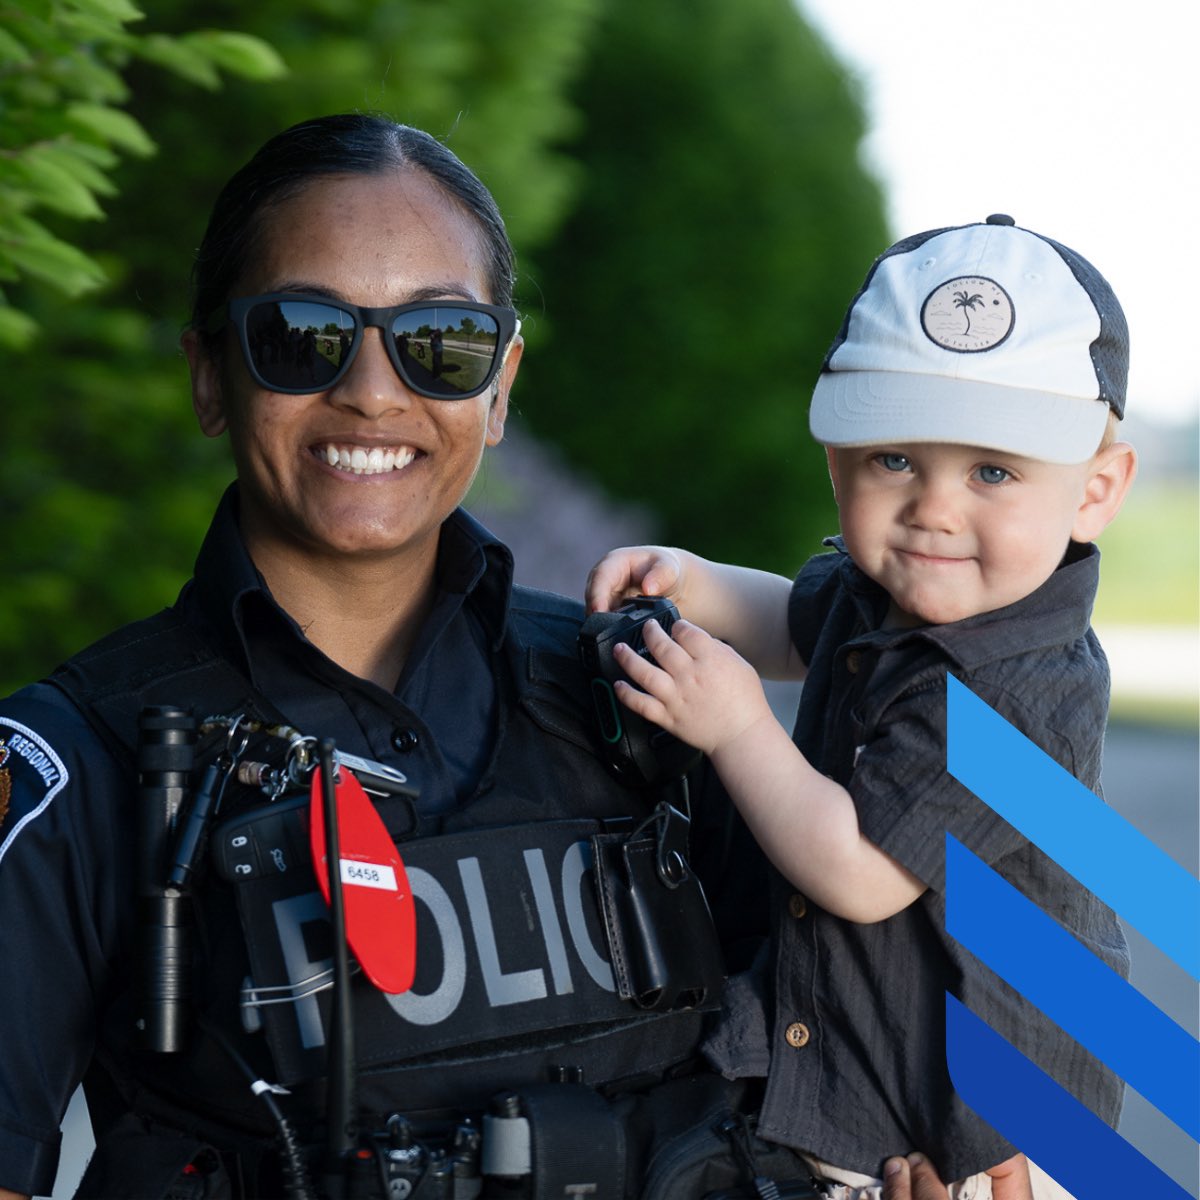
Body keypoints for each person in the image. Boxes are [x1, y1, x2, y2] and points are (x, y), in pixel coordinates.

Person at [0, 114, 793, 1200]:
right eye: (300, 333)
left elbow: (862, 987)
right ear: (208, 374)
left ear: (501, 383)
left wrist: (982, 1116)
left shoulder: (651, 694)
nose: (373, 390)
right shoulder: (73, 758)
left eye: (442, 342)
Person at [586, 216, 1137, 1199]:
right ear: (840, 457)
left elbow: (862, 873)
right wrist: (702, 583)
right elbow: (802, 626)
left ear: (1094, 493)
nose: (933, 505)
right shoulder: (888, 589)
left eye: (994, 471)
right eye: (895, 459)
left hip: (985, 1126)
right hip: (871, 1052)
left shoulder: (1017, 687)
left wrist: (739, 725)